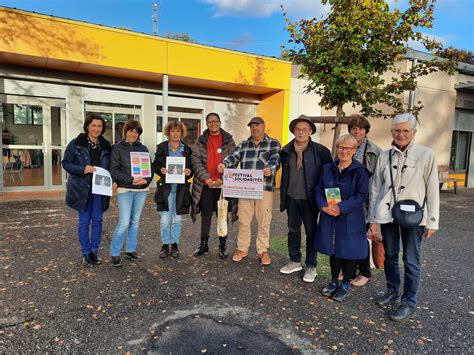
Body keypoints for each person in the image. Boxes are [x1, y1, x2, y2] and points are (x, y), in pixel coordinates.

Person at [369, 113, 439, 321]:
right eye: (397, 130)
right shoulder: (384, 155)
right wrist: (373, 218)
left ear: (414, 132)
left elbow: (433, 189)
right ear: (391, 132)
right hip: (388, 215)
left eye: (405, 130)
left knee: (411, 260)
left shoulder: (426, 154)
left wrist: (432, 221)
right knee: (390, 255)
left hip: (414, 217)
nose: (401, 134)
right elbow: (375, 188)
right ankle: (392, 291)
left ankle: (409, 302)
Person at [218, 116, 281, 265]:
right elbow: (234, 156)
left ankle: (262, 250)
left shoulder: (273, 143)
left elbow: (276, 160)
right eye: (252, 126)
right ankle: (242, 248)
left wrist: (270, 169)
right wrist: (224, 164)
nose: (254, 129)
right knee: (244, 220)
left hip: (264, 188)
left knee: (264, 220)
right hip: (246, 189)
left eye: (257, 126)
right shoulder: (244, 144)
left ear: (263, 126)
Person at [315, 134, 370, 302]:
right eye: (340, 147)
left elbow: (361, 195)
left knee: (349, 252)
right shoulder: (327, 169)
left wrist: (341, 208)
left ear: (354, 150)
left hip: (350, 218)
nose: (343, 151)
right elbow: (318, 189)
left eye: (348, 148)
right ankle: (333, 281)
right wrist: (323, 206)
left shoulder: (360, 171)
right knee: (334, 250)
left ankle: (345, 283)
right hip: (329, 215)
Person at [279, 116, 332, 283]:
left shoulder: (321, 151)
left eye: (305, 129)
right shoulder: (286, 151)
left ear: (310, 132)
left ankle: (311, 266)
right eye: (298, 129)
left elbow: (329, 177)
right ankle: (294, 261)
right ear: (293, 131)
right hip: (292, 197)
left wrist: (332, 201)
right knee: (293, 230)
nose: (301, 132)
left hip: (311, 199)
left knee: (311, 232)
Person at [62, 113, 113, 267]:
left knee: (97, 220)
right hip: (81, 189)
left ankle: (94, 252)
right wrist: (83, 169)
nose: (96, 129)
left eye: (99, 126)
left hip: (100, 188)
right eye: (93, 125)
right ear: (87, 127)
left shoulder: (106, 145)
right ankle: (85, 253)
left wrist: (114, 181)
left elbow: (112, 167)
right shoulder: (76, 144)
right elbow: (66, 163)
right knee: (84, 221)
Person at [191, 112, 237, 259]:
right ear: (207, 124)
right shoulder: (201, 140)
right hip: (206, 185)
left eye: (215, 121)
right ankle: (203, 245)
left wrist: (222, 179)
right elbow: (195, 159)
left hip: (223, 185)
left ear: (220, 122)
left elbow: (234, 159)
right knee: (206, 216)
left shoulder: (228, 140)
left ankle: (222, 246)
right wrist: (207, 179)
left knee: (222, 216)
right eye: (210, 122)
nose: (213, 124)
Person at [109, 120, 152, 267]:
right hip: (126, 189)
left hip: (141, 190)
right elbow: (114, 170)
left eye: (136, 131)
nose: (133, 134)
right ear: (125, 131)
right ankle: (115, 252)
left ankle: (130, 250)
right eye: (131, 131)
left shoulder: (144, 148)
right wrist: (131, 180)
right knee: (124, 222)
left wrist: (146, 181)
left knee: (135, 222)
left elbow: (149, 171)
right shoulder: (117, 148)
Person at [347, 115, 382, 287]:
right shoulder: (346, 146)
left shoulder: (374, 151)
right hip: (348, 200)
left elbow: (378, 182)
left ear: (366, 131)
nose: (357, 131)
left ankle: (365, 273)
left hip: (366, 201)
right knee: (349, 236)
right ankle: (350, 271)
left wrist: (375, 211)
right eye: (353, 128)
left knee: (361, 237)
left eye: (360, 128)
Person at [152, 121, 193, 258]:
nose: (175, 134)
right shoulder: (162, 147)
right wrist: (160, 169)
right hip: (166, 189)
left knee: (177, 219)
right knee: (165, 220)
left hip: (181, 189)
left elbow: (191, 168)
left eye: (178, 131)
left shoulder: (186, 150)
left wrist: (189, 172)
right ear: (168, 133)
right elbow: (155, 165)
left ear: (182, 133)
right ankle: (165, 245)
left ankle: (174, 244)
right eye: (173, 131)